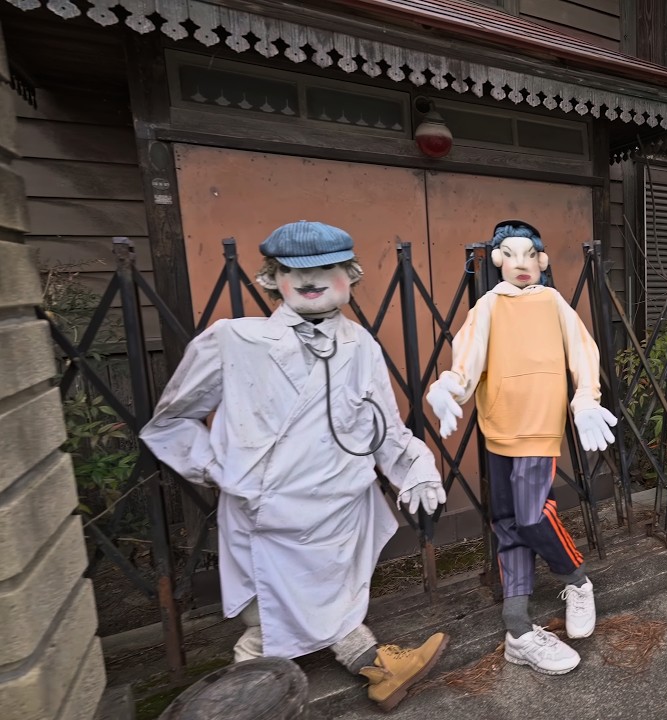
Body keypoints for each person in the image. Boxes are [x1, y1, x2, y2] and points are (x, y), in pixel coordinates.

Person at [140, 221, 449, 711]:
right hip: (270, 516)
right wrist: (222, 471)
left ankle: (374, 665)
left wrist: (416, 466)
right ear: (272, 278)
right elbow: (171, 422)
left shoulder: (362, 347)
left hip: (342, 507)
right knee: (269, 621)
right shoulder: (234, 341)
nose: (310, 280)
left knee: (339, 594)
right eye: (292, 270)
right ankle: (242, 701)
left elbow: (383, 429)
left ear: (349, 275)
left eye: (326, 268)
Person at [426, 220, 617, 675]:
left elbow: (582, 351)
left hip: (539, 426)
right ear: (497, 261)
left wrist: (586, 397)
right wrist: (448, 387)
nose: (521, 264)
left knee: (533, 515)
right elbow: (467, 359)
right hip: (499, 427)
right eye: (510, 255)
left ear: (542, 260)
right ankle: (517, 626)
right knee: (508, 523)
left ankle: (577, 579)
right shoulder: (488, 306)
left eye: (530, 254)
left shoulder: (552, 302)